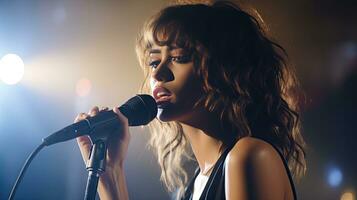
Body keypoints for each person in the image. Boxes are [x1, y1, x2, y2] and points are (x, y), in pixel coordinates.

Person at [75, 1, 306, 199]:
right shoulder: (191, 187)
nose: (157, 74)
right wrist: (110, 174)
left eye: (179, 57)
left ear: (224, 71)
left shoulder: (249, 156)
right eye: (154, 62)